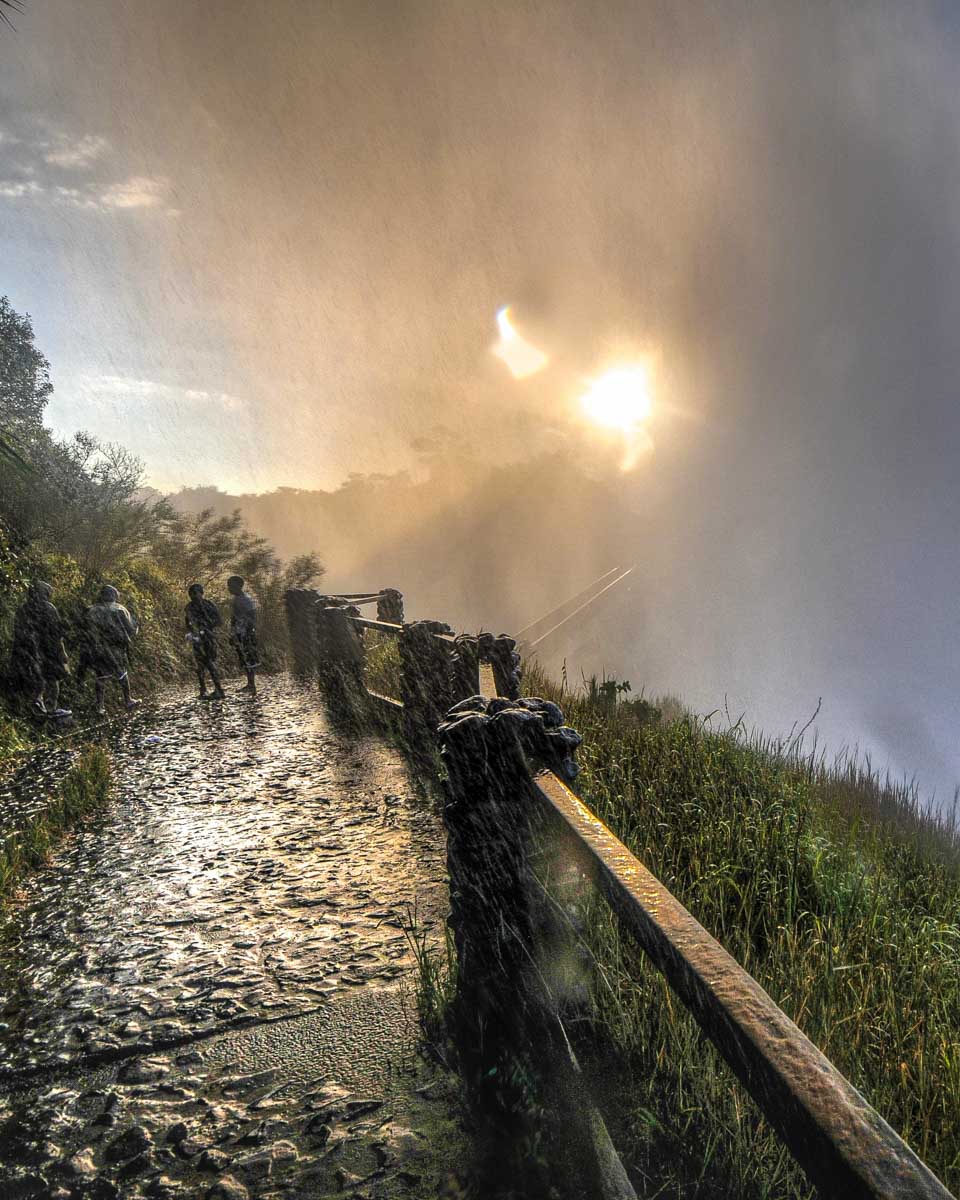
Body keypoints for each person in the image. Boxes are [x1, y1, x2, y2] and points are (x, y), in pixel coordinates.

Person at [10, 580, 72, 718]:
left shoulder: (23, 608)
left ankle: (30, 705)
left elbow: (18, 629)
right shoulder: (49, 608)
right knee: (52, 677)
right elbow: (56, 633)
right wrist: (62, 652)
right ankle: (50, 708)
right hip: (46, 648)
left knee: (32, 676)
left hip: (24, 647)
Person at [84, 585, 140, 716]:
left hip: (98, 647)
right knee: (122, 672)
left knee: (101, 676)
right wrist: (136, 626)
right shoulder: (120, 609)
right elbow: (130, 630)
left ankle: (100, 706)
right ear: (114, 595)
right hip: (116, 647)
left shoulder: (92, 610)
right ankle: (128, 700)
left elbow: (86, 630)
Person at [185, 583, 225, 701]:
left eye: (195, 593)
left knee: (209, 662)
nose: (193, 596)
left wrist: (207, 625)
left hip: (208, 637)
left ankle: (218, 689)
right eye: (191, 594)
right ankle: (203, 690)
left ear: (201, 593)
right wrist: (192, 632)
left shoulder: (209, 605)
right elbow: (188, 622)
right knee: (200, 665)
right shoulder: (189, 607)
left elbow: (219, 621)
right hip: (197, 638)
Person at [227, 575, 259, 694]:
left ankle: (251, 685)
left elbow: (252, 617)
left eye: (230, 585)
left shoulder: (245, 599)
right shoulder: (237, 598)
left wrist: (248, 632)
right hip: (240, 631)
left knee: (248, 657)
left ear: (238, 586)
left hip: (245, 632)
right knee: (244, 657)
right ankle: (250, 684)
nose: (229, 588)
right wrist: (233, 633)